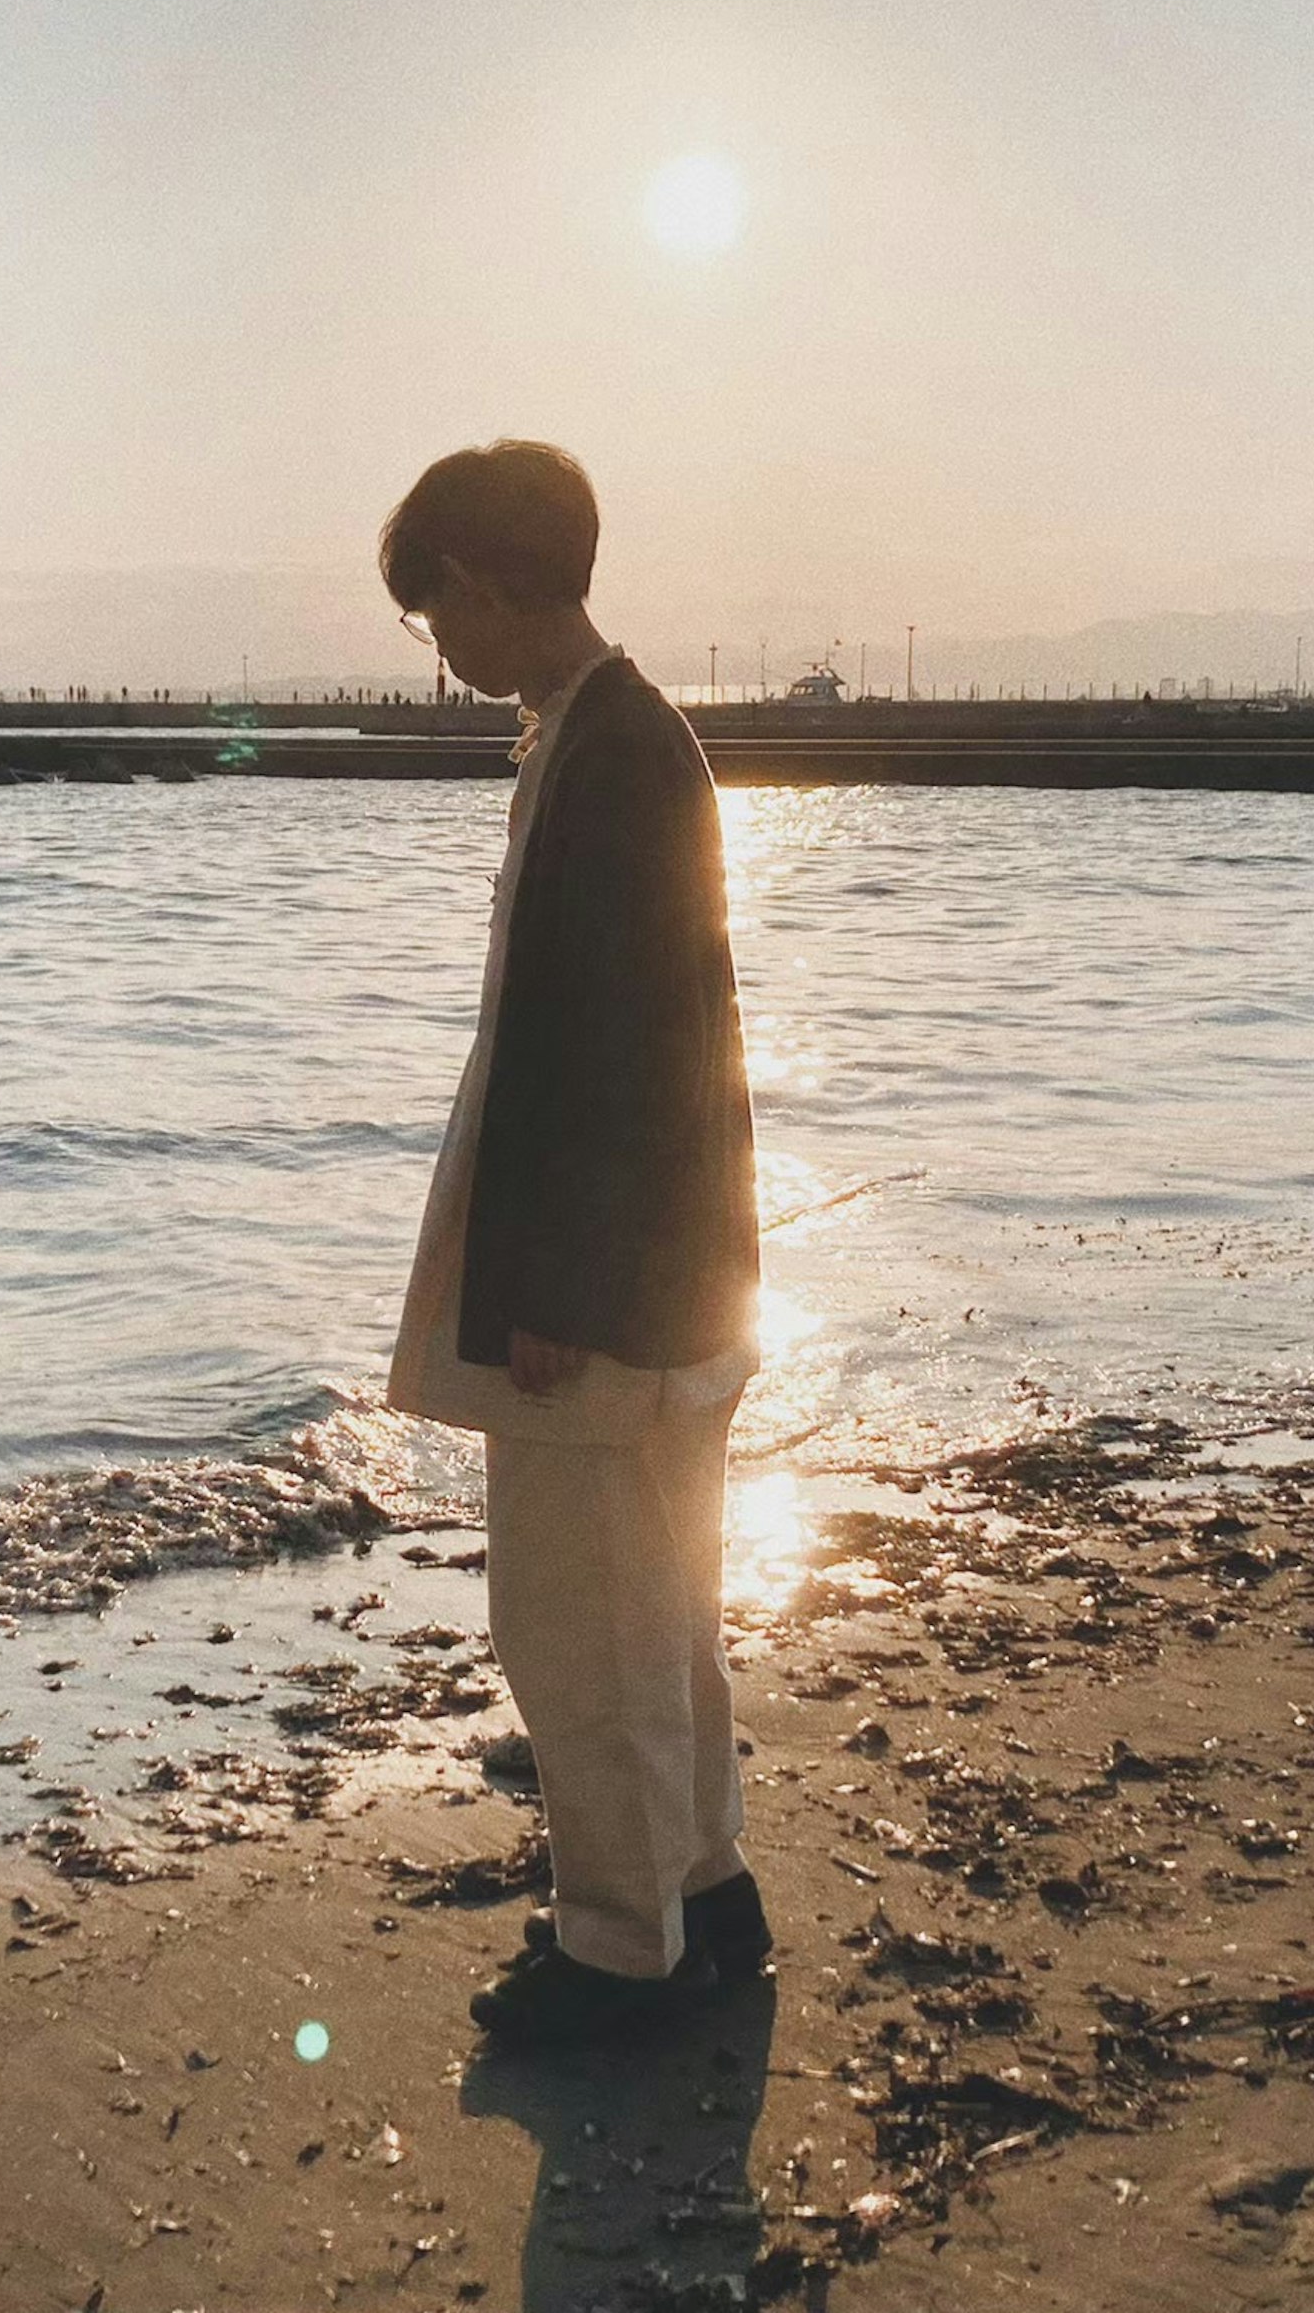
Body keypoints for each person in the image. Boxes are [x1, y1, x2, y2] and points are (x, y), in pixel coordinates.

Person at [375, 439, 771, 2045]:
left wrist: (547, 1294)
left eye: (432, 616)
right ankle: (707, 1889)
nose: (440, 651)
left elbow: (609, 1058)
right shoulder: (612, 735)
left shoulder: (613, 750)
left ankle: (623, 1950)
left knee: (577, 1617)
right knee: (662, 1605)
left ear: (479, 583)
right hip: (667, 1274)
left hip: (609, 1289)